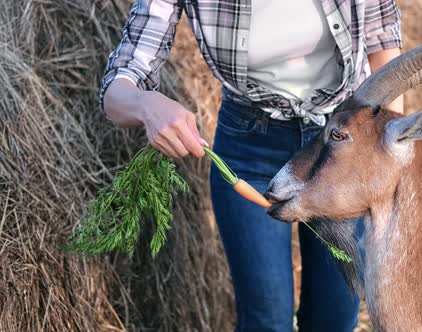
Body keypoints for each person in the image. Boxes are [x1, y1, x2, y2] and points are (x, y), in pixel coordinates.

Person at [100, 0, 403, 330]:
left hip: (342, 151)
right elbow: (121, 81)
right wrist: (145, 103)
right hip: (251, 149)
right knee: (266, 321)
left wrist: (383, 152)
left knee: (336, 317)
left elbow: (381, 39)